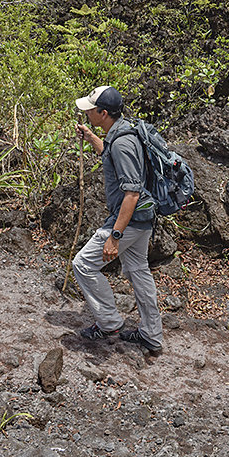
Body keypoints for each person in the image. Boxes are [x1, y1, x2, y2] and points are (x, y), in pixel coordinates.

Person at [72, 85, 163, 356]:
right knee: (138, 271)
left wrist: (115, 236)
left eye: (90, 110)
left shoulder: (122, 141)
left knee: (84, 265)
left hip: (130, 219)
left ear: (103, 112)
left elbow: (132, 193)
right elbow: (111, 157)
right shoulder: (121, 132)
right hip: (143, 218)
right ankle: (151, 334)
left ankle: (109, 323)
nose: (87, 113)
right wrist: (91, 138)